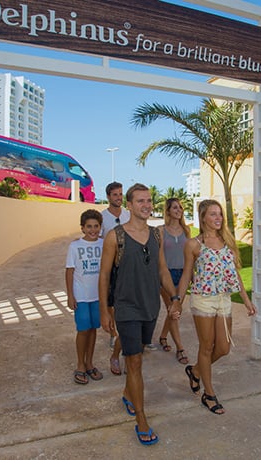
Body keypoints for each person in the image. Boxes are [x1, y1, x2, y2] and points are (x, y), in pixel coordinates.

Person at [99, 183, 181, 446]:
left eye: (149, 201)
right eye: (140, 201)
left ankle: (127, 393)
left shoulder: (156, 235)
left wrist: (175, 297)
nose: (146, 205)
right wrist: (105, 310)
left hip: (150, 308)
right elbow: (103, 276)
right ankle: (142, 419)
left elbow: (163, 271)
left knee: (139, 355)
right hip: (126, 308)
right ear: (130, 205)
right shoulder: (115, 236)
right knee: (134, 362)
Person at [171, 199, 256, 415]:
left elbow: (235, 272)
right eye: (213, 214)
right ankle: (208, 395)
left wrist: (246, 300)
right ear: (203, 218)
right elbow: (186, 275)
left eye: (220, 214)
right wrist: (177, 301)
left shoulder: (227, 240)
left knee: (224, 348)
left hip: (224, 299)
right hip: (203, 299)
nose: (218, 218)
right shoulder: (193, 245)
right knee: (206, 347)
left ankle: (196, 371)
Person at [65, 209, 105, 385]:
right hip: (81, 296)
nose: (93, 230)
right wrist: (70, 295)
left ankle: (90, 363)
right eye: (89, 226)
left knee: (93, 329)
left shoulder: (104, 244)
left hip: (98, 296)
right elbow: (69, 271)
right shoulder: (75, 246)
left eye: (96, 226)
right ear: (82, 228)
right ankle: (80, 364)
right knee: (83, 330)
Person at [100, 182, 130, 375]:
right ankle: (113, 333)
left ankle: (124, 342)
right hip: (111, 266)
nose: (119, 197)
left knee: (125, 305)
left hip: (128, 266)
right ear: (108, 197)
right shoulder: (103, 217)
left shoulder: (128, 214)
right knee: (111, 302)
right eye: (115, 194)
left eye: (120, 194)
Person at [156, 197, 191, 365]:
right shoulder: (161, 231)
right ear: (168, 210)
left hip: (183, 275)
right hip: (166, 275)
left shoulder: (187, 230)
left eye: (180, 207)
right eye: (175, 207)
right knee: (174, 311)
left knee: (174, 311)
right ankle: (180, 348)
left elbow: (189, 255)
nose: (178, 210)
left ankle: (163, 336)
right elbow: (159, 257)